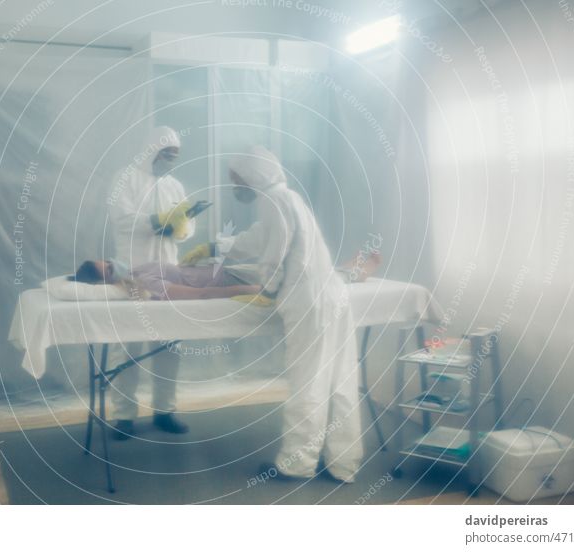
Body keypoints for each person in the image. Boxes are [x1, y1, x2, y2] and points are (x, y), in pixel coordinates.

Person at [181, 146, 365, 483]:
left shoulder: (274, 201)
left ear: (253, 175)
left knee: (307, 381)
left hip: (309, 302)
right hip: (333, 296)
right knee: (340, 381)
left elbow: (274, 252)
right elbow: (257, 239)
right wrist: (216, 248)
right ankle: (343, 462)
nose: (235, 187)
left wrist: (267, 288)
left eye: (237, 180)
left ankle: (297, 464)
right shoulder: (286, 198)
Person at [106, 126, 195, 440]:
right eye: (166, 154)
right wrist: (155, 221)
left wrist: (179, 229)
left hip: (167, 273)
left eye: (175, 156)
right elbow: (121, 218)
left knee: (170, 344)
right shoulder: (126, 179)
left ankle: (165, 411)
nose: (170, 160)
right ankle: (124, 416)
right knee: (127, 344)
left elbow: (189, 225)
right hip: (132, 273)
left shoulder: (175, 185)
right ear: (150, 150)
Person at [72, 259, 261, 300]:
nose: (114, 263)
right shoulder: (144, 283)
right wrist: (249, 289)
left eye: (108, 261)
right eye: (110, 269)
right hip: (233, 278)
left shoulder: (136, 270)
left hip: (228, 267)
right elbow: (202, 294)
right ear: (106, 283)